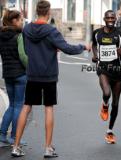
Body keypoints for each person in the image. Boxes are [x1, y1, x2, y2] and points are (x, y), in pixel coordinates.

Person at [11, 0, 91, 158]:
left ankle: (15, 146)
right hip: (48, 75)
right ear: (48, 13)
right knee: (48, 107)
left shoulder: (26, 29)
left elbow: (27, 49)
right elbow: (67, 48)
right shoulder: (51, 31)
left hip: (32, 74)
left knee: (26, 107)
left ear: (37, 11)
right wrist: (83, 47)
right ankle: (48, 148)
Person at [92, 10, 121, 144]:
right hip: (103, 69)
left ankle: (110, 131)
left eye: (113, 17)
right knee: (107, 93)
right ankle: (105, 104)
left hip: (116, 71)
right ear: (104, 19)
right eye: (108, 17)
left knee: (116, 104)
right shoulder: (97, 33)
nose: (111, 19)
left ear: (115, 19)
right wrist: (95, 56)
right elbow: (95, 45)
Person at [0, 10, 27, 145]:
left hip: (8, 75)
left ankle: (2, 134)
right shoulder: (18, 36)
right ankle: (14, 137)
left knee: (11, 105)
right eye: (20, 20)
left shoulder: (1, 35)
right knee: (18, 106)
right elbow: (23, 56)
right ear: (14, 21)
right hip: (20, 75)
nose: (22, 22)